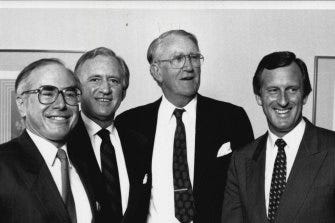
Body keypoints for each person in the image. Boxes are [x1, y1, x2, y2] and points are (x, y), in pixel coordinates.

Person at [116, 29, 254, 223]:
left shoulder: (232, 118)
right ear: (156, 71)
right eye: (178, 58)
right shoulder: (129, 124)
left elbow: (248, 193)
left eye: (194, 57)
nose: (189, 66)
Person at [221, 51, 335, 223]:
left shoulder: (331, 150)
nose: (283, 101)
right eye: (273, 90)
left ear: (304, 96)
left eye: (292, 90)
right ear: (259, 97)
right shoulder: (241, 160)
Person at [0, 58, 99, 223]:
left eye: (70, 94)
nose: (61, 104)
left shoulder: (86, 163)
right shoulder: (3, 165)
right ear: (21, 104)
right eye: (47, 93)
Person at [67, 47, 150, 223]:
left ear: (124, 92)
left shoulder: (140, 143)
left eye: (114, 80)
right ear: (77, 91)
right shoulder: (64, 142)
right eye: (95, 79)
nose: (105, 89)